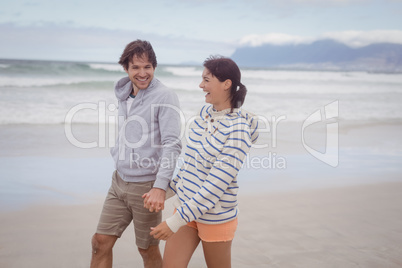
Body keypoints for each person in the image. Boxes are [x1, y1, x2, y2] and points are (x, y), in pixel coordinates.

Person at [146, 56, 259, 267]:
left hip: (216, 216)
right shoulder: (204, 114)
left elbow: (215, 185)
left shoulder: (238, 131)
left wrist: (174, 222)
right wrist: (164, 189)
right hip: (186, 210)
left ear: (226, 84)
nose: (201, 85)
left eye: (207, 80)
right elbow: (191, 164)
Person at [91, 40, 182, 268]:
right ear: (126, 68)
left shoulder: (165, 96)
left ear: (154, 67)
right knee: (100, 242)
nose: (143, 73)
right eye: (136, 68)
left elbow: (172, 144)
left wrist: (160, 187)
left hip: (147, 187)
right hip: (119, 182)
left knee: (147, 249)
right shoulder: (123, 93)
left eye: (148, 67)